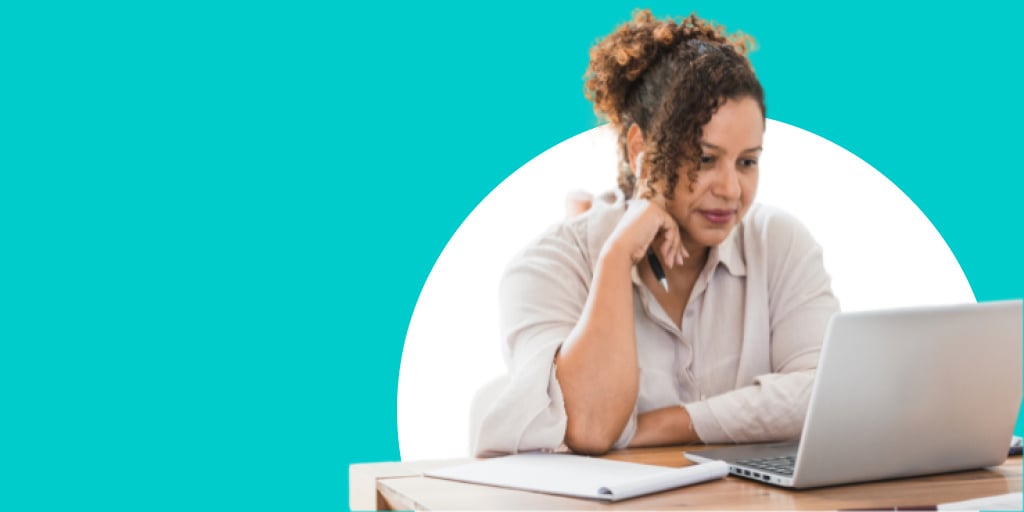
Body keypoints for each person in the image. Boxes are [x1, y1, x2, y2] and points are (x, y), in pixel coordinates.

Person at [471, 9, 840, 456]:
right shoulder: (548, 266)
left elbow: (827, 394)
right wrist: (616, 257)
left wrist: (668, 424)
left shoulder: (778, 243)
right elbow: (589, 426)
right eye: (704, 158)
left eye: (747, 161)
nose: (730, 189)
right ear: (641, 149)